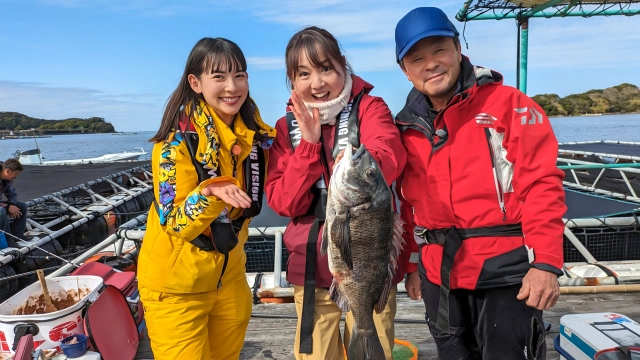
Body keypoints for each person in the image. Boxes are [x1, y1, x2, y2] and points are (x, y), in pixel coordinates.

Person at [394, 7, 566, 360]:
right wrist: (412, 264)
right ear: (405, 70)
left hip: (505, 270)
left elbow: (542, 184)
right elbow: (407, 203)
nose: (431, 64)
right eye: (417, 58)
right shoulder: (405, 126)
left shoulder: (510, 105)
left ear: (458, 50)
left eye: (439, 50)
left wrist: (546, 262)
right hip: (438, 272)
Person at [266, 26, 412, 360]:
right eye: (304, 73)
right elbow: (283, 202)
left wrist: (364, 161)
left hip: (370, 269)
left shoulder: (370, 109)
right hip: (311, 270)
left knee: (374, 350)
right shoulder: (286, 128)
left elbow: (389, 154)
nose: (316, 83)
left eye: (326, 69)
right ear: (292, 80)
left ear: (343, 66)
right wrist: (309, 147)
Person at [137, 37, 276, 360]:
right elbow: (175, 222)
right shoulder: (174, 144)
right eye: (219, 76)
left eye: (240, 75)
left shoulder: (259, 139)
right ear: (195, 83)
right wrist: (209, 193)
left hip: (230, 280)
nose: (232, 86)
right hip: (176, 290)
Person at [0, 158, 28, 244]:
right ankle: (8, 239)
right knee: (1, 211)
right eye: (16, 173)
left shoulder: (7, 180)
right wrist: (8, 207)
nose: (16, 176)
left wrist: (12, 205)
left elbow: (11, 193)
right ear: (8, 171)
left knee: (22, 206)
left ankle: (17, 236)